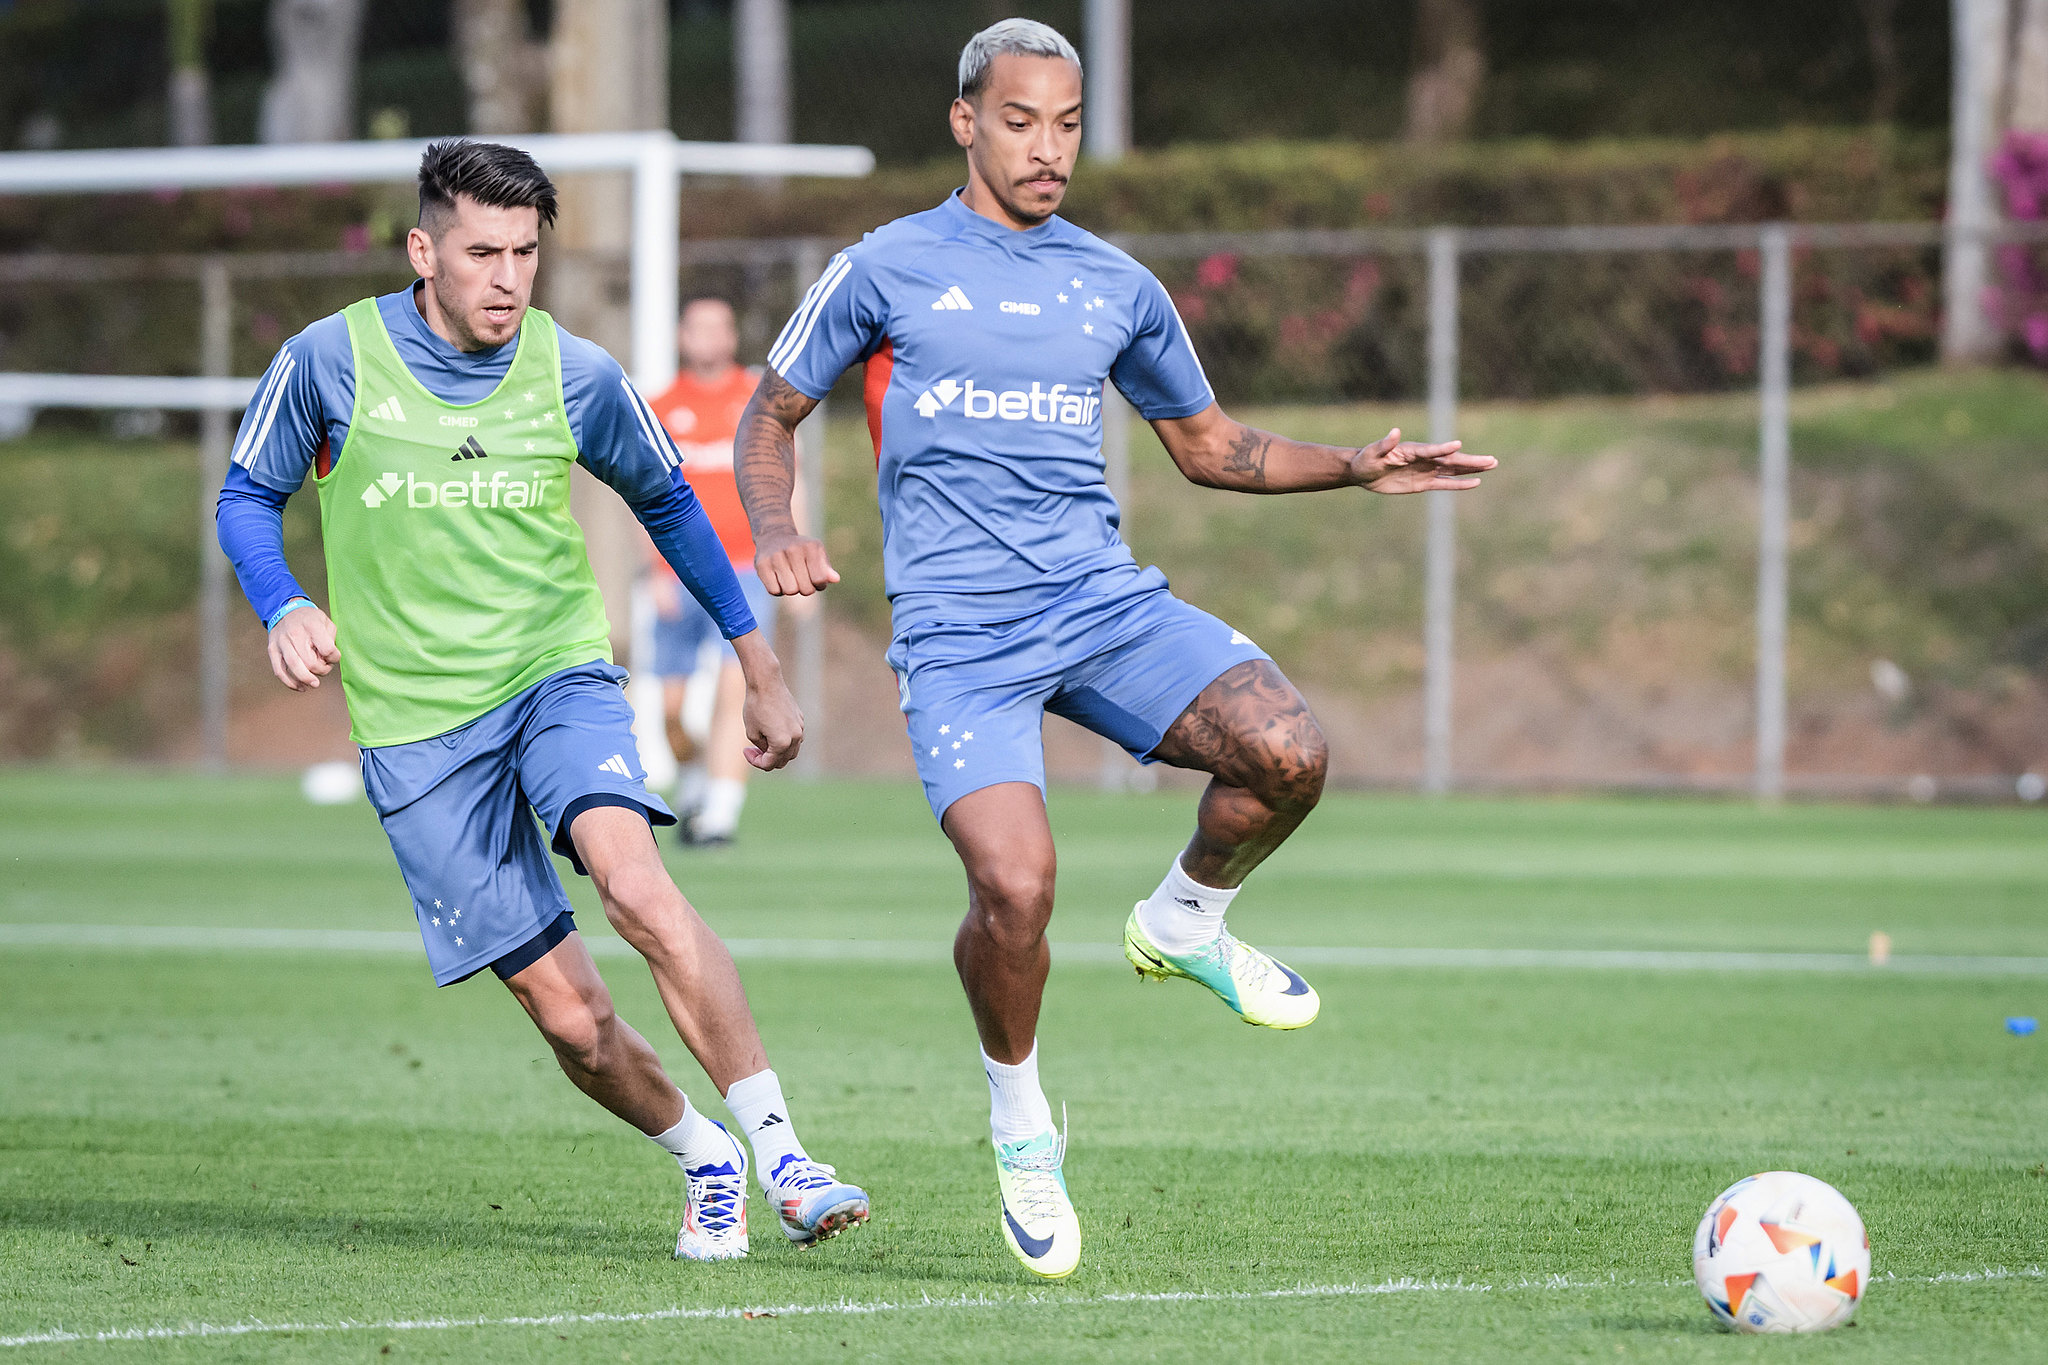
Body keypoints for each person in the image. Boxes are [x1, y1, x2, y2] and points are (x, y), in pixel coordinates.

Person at [733, 20, 1495, 1280]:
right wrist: (776, 530)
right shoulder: (885, 267)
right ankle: (1021, 1123)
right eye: (1021, 120)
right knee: (1016, 891)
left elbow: (1208, 446)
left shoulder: (1114, 285)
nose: (1048, 149)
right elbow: (770, 419)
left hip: (1099, 607)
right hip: (961, 636)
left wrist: (1352, 467)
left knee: (1286, 752)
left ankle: (1186, 920)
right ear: (965, 122)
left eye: (1068, 123)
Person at [213, 139, 869, 1262]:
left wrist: (756, 665)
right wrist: (281, 603)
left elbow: (668, 505)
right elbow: (245, 494)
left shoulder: (576, 372)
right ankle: (703, 1155)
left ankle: (785, 1157)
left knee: (635, 885)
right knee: (569, 1018)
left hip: (552, 677)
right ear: (424, 251)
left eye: (525, 251)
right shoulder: (328, 360)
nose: (508, 276)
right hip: (417, 732)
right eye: (481, 252)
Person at [640, 297, 782, 847]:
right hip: (677, 575)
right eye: (697, 327)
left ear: (731, 336)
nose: (708, 337)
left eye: (718, 327)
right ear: (682, 336)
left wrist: (787, 548)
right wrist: (652, 571)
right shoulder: (658, 405)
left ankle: (720, 816)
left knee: (734, 692)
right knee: (672, 713)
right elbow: (641, 495)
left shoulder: (755, 398)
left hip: (744, 570)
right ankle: (696, 782)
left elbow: (783, 474)